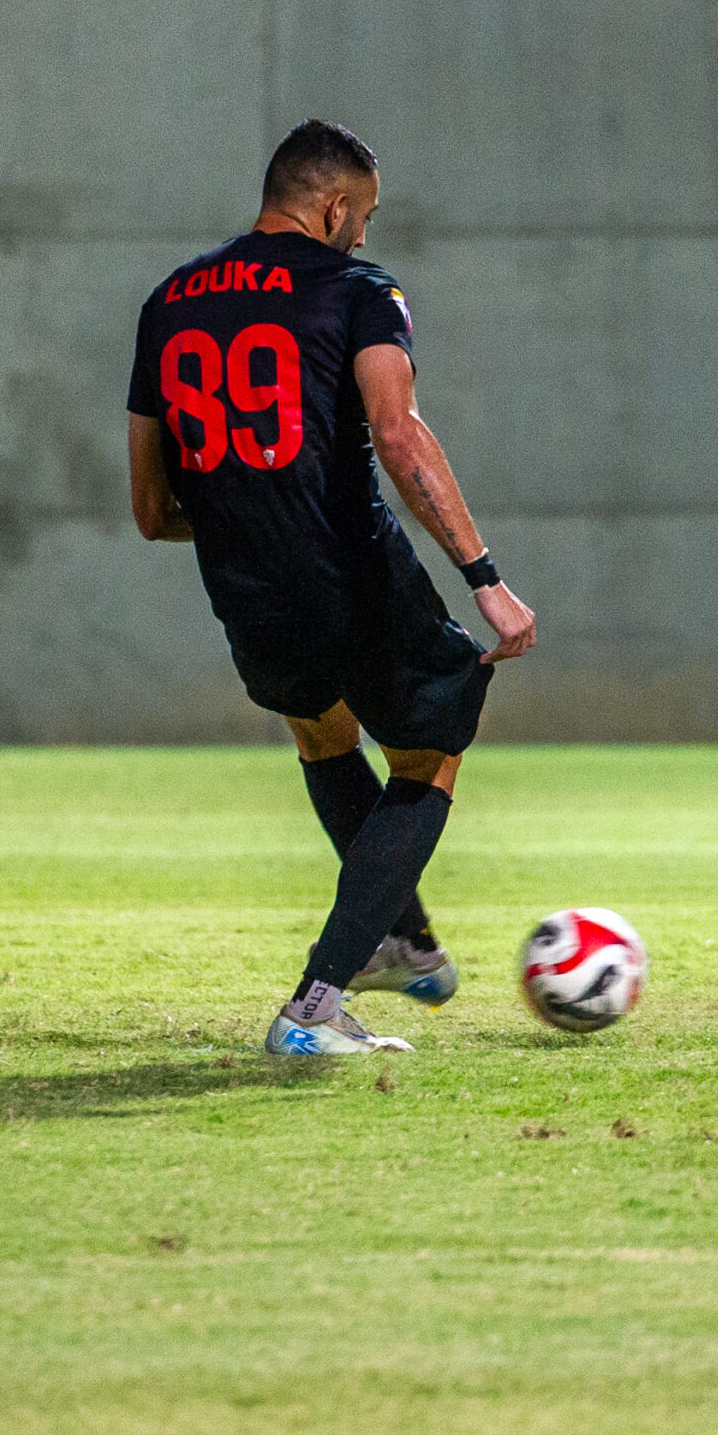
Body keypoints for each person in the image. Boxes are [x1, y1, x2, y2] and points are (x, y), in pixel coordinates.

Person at [125, 119, 536, 1056]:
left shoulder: (168, 301)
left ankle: (399, 942)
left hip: (241, 585)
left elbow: (151, 510)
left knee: (324, 732)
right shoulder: (359, 290)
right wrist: (485, 579)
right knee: (431, 750)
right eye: (366, 217)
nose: (364, 234)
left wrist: (244, 517)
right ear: (335, 205)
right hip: (348, 568)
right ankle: (314, 1006)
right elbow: (398, 434)